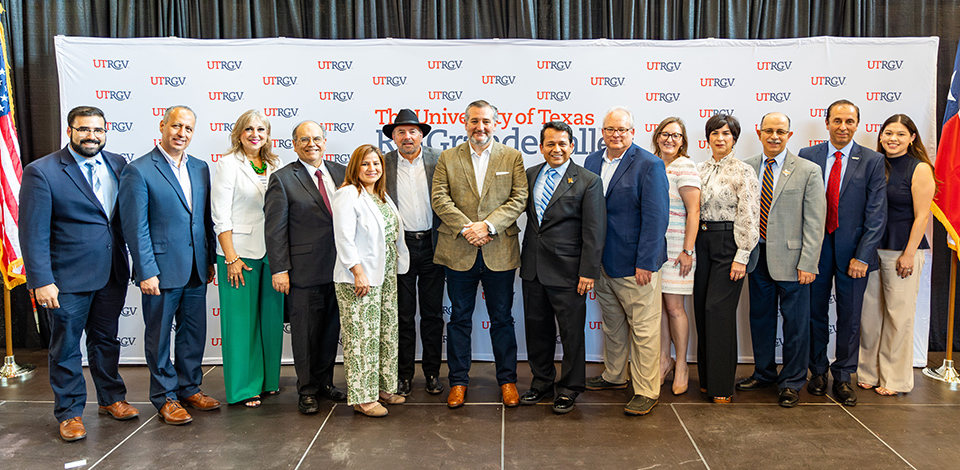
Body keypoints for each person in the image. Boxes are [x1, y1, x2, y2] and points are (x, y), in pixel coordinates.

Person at [20, 106, 138, 441]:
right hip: (66, 279)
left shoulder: (118, 164)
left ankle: (111, 398)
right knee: (67, 347)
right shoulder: (42, 172)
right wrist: (41, 280)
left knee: (106, 341)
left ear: (106, 131)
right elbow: (32, 232)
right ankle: (70, 412)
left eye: (98, 130)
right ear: (69, 130)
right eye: (84, 129)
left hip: (112, 272)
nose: (91, 136)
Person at [119, 105, 219, 425]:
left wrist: (210, 258)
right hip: (160, 271)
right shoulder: (139, 169)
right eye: (176, 126)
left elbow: (205, 219)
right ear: (162, 126)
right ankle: (165, 397)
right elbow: (136, 227)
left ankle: (190, 387)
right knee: (159, 336)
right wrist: (146, 270)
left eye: (188, 129)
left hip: (196, 268)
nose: (182, 134)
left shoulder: (201, 168)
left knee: (193, 333)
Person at [431, 99, 528, 409]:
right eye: (474, 121)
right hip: (458, 251)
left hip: (499, 251)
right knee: (459, 319)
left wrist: (487, 226)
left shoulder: (512, 157)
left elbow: (519, 198)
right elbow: (440, 198)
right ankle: (458, 382)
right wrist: (467, 228)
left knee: (502, 319)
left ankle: (508, 381)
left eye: (486, 121)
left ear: (495, 123)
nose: (480, 127)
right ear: (465, 122)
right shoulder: (447, 157)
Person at [799, 100, 887, 407]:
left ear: (857, 124)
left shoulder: (873, 161)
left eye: (849, 121)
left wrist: (863, 256)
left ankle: (844, 376)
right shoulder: (807, 156)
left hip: (854, 256)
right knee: (814, 314)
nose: (843, 127)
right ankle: (818, 372)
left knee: (850, 318)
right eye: (837, 120)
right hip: (815, 252)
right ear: (826, 123)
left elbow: (876, 215)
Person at [584, 107, 669, 416]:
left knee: (644, 330)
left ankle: (647, 390)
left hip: (637, 265)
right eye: (610, 129)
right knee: (613, 325)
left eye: (622, 129)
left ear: (633, 132)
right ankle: (614, 375)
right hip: (603, 262)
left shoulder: (650, 164)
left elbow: (656, 218)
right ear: (602, 132)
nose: (616, 134)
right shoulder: (593, 161)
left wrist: (646, 262)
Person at [737, 112, 826, 407]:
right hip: (757, 258)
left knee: (796, 325)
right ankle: (763, 373)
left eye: (780, 131)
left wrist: (809, 263)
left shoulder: (808, 170)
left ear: (789, 135)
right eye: (768, 130)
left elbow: (815, 222)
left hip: (794, 261)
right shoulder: (747, 167)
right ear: (759, 132)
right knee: (761, 320)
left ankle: (791, 381)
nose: (774, 136)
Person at [519, 121, 606, 414]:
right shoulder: (530, 175)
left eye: (562, 144)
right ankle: (542, 381)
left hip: (569, 272)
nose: (556, 149)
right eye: (550, 144)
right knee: (537, 330)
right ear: (541, 147)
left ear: (572, 146)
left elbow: (594, 231)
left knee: (571, 334)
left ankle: (570, 387)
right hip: (532, 268)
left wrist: (588, 271)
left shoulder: (588, 180)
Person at [264, 120, 348, 414]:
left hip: (340, 270)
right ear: (294, 144)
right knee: (305, 334)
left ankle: (325, 383)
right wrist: (279, 269)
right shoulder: (283, 178)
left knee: (329, 331)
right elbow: (275, 230)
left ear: (325, 142)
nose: (311, 144)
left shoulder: (341, 172)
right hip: (303, 272)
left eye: (316, 139)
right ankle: (307, 390)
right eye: (304, 140)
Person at [211, 109, 284, 408]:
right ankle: (243, 387)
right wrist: (230, 257)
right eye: (249, 129)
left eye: (261, 130)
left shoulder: (274, 164)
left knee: (270, 319)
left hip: (273, 254)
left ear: (268, 135)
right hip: (238, 253)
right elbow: (220, 215)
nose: (255, 134)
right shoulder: (227, 165)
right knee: (240, 323)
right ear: (239, 134)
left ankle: (267, 380)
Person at [857, 114, 934, 396]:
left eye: (901, 134)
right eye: (888, 133)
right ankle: (868, 372)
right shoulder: (874, 165)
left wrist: (909, 253)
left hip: (902, 251)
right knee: (870, 316)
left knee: (898, 316)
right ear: (880, 136)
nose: (893, 139)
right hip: (871, 249)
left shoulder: (920, 168)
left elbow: (923, 216)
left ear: (912, 137)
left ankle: (895, 379)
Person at [332, 144, 410, 417]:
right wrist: (357, 271)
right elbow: (343, 237)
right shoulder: (347, 194)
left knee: (385, 334)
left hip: (385, 274)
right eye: (365, 164)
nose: (372, 168)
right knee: (361, 338)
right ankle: (363, 398)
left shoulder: (381, 195)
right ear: (355, 167)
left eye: (376, 163)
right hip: (358, 277)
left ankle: (383, 388)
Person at [694, 113, 760, 404]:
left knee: (718, 313)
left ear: (734, 138)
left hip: (728, 243)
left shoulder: (744, 171)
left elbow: (749, 215)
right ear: (707, 138)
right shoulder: (698, 168)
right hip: (701, 242)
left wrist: (742, 256)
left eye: (726, 134)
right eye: (714, 133)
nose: (720, 138)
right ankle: (707, 381)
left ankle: (722, 386)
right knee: (702, 311)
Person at [382, 109, 445, 397]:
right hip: (400, 247)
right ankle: (404, 375)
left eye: (412, 131)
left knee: (432, 315)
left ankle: (432, 372)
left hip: (434, 245)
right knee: (403, 315)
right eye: (400, 132)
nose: (407, 137)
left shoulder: (439, 160)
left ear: (422, 134)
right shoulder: (382, 164)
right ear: (393, 137)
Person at [651, 117, 700, 396]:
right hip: (652, 248)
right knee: (657, 309)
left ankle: (681, 364)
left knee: (674, 308)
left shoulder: (686, 166)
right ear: (657, 137)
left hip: (676, 249)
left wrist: (687, 250)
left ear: (683, 141)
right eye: (665, 134)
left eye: (676, 136)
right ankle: (663, 360)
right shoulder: (651, 163)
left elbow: (694, 211)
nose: (670, 139)